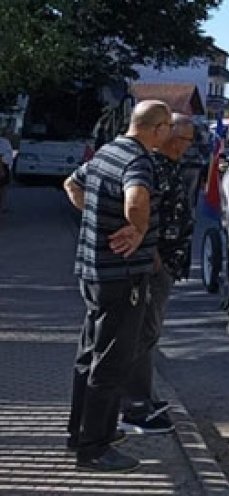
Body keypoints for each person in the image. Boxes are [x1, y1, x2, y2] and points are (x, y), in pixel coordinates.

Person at [62, 100, 171, 473]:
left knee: (87, 357)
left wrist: (97, 220)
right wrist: (136, 230)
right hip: (123, 279)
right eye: (168, 128)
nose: (169, 134)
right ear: (157, 128)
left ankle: (81, 433)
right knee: (110, 363)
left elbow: (72, 185)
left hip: (92, 272)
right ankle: (94, 448)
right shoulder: (138, 162)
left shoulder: (108, 151)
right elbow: (137, 198)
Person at [119, 114, 195, 436]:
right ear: (163, 134)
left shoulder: (172, 166)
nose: (184, 147)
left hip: (167, 264)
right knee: (144, 333)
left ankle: (146, 397)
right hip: (154, 265)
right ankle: (135, 406)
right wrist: (153, 258)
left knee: (150, 333)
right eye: (180, 139)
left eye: (189, 141)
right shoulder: (151, 166)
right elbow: (139, 212)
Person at [0, 124, 14, 213]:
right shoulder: (5, 142)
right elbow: (8, 157)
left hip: (3, 168)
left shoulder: (4, 142)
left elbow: (8, 157)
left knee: (3, 189)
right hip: (3, 168)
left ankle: (2, 206)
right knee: (3, 189)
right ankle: (2, 206)